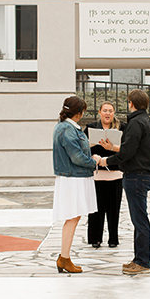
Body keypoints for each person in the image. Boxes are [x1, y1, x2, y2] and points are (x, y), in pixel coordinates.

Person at [97, 89, 150, 275]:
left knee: (140, 220)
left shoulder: (136, 122)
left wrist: (106, 160)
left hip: (136, 176)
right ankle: (139, 259)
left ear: (131, 103)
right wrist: (114, 149)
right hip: (141, 174)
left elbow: (127, 152)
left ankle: (142, 262)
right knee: (138, 219)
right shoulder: (144, 120)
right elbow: (133, 148)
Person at [52, 96, 98, 274]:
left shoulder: (65, 126)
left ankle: (65, 257)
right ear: (79, 113)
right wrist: (93, 162)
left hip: (75, 177)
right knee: (72, 217)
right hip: (74, 178)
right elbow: (76, 156)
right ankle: (64, 258)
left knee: (74, 216)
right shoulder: (67, 128)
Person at [85, 102, 126, 249]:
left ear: (114, 113)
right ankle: (95, 239)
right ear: (99, 112)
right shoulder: (90, 128)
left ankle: (113, 239)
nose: (107, 113)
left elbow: (127, 149)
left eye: (110, 111)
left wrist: (111, 148)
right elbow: (83, 148)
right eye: (105, 111)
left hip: (115, 174)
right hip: (96, 174)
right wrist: (93, 153)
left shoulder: (121, 128)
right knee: (95, 209)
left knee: (113, 209)